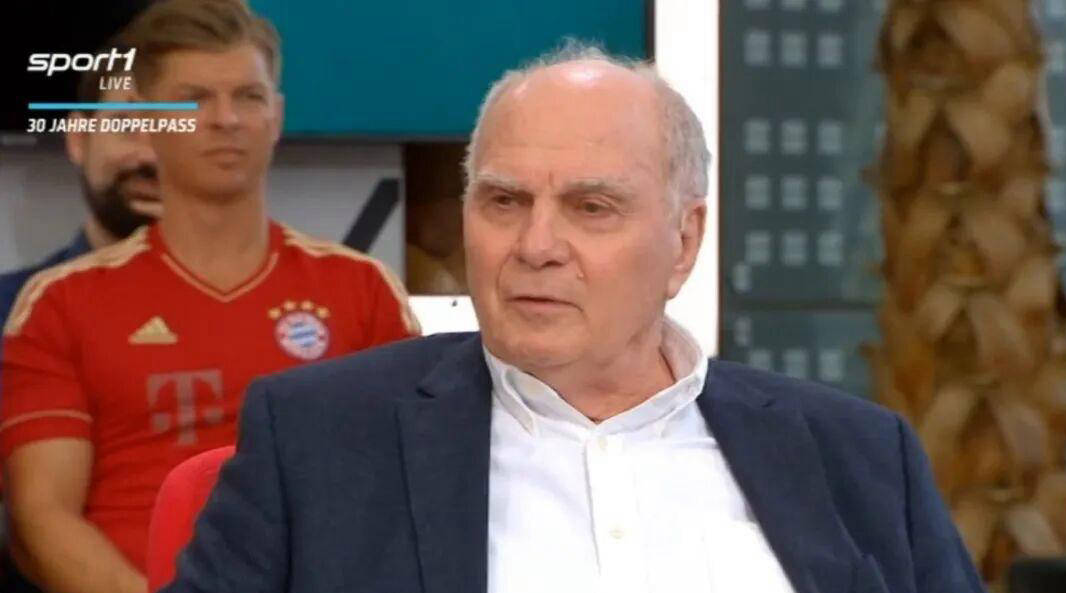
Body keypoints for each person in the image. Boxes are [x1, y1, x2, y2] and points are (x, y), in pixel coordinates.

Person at [160, 43, 985, 593]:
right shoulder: (318, 440)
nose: (536, 246)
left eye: (592, 207)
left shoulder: (858, 457)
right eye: (504, 201)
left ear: (684, 240)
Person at [0, 2, 419, 593]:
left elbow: (413, 492)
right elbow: (41, 520)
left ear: (276, 116)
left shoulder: (362, 289)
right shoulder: (60, 303)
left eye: (249, 96)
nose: (226, 119)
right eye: (194, 99)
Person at [0, 52, 161, 341]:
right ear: (79, 139)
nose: (148, 156)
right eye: (125, 125)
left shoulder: (246, 306)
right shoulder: (10, 312)